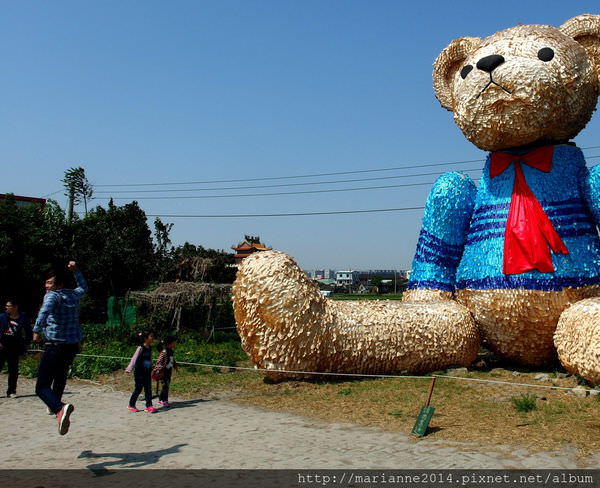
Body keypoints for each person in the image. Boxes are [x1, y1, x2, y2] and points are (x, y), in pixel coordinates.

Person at [33, 261, 88, 435]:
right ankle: (55, 406)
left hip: (55, 345)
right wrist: (76, 271)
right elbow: (83, 287)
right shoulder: (73, 295)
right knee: (60, 376)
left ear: (59, 284)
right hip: (72, 346)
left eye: (50, 283)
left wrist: (36, 330)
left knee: (41, 387)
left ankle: (59, 407)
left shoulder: (52, 296)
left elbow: (44, 311)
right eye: (46, 282)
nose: (47, 286)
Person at [0, 299, 33, 397]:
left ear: (15, 307)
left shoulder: (23, 317)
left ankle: (11, 391)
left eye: (9, 306)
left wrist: (27, 343)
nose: (7, 308)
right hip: (2, 345)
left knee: (13, 370)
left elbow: (28, 331)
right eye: (6, 306)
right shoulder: (2, 317)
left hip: (15, 346)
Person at [125, 331, 157, 413]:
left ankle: (149, 406)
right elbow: (134, 358)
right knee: (138, 389)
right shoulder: (140, 348)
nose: (153, 338)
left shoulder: (150, 348)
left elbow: (150, 358)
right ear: (146, 338)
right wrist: (129, 368)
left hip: (147, 372)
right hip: (139, 372)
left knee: (148, 389)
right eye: (151, 336)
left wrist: (152, 368)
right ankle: (131, 405)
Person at [152, 335, 178, 408]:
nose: (174, 344)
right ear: (169, 343)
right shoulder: (164, 352)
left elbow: (172, 359)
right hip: (163, 372)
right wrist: (159, 370)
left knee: (166, 386)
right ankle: (165, 401)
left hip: (168, 371)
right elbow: (159, 362)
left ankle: (161, 399)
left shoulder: (170, 351)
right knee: (165, 386)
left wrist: (175, 365)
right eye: (173, 342)